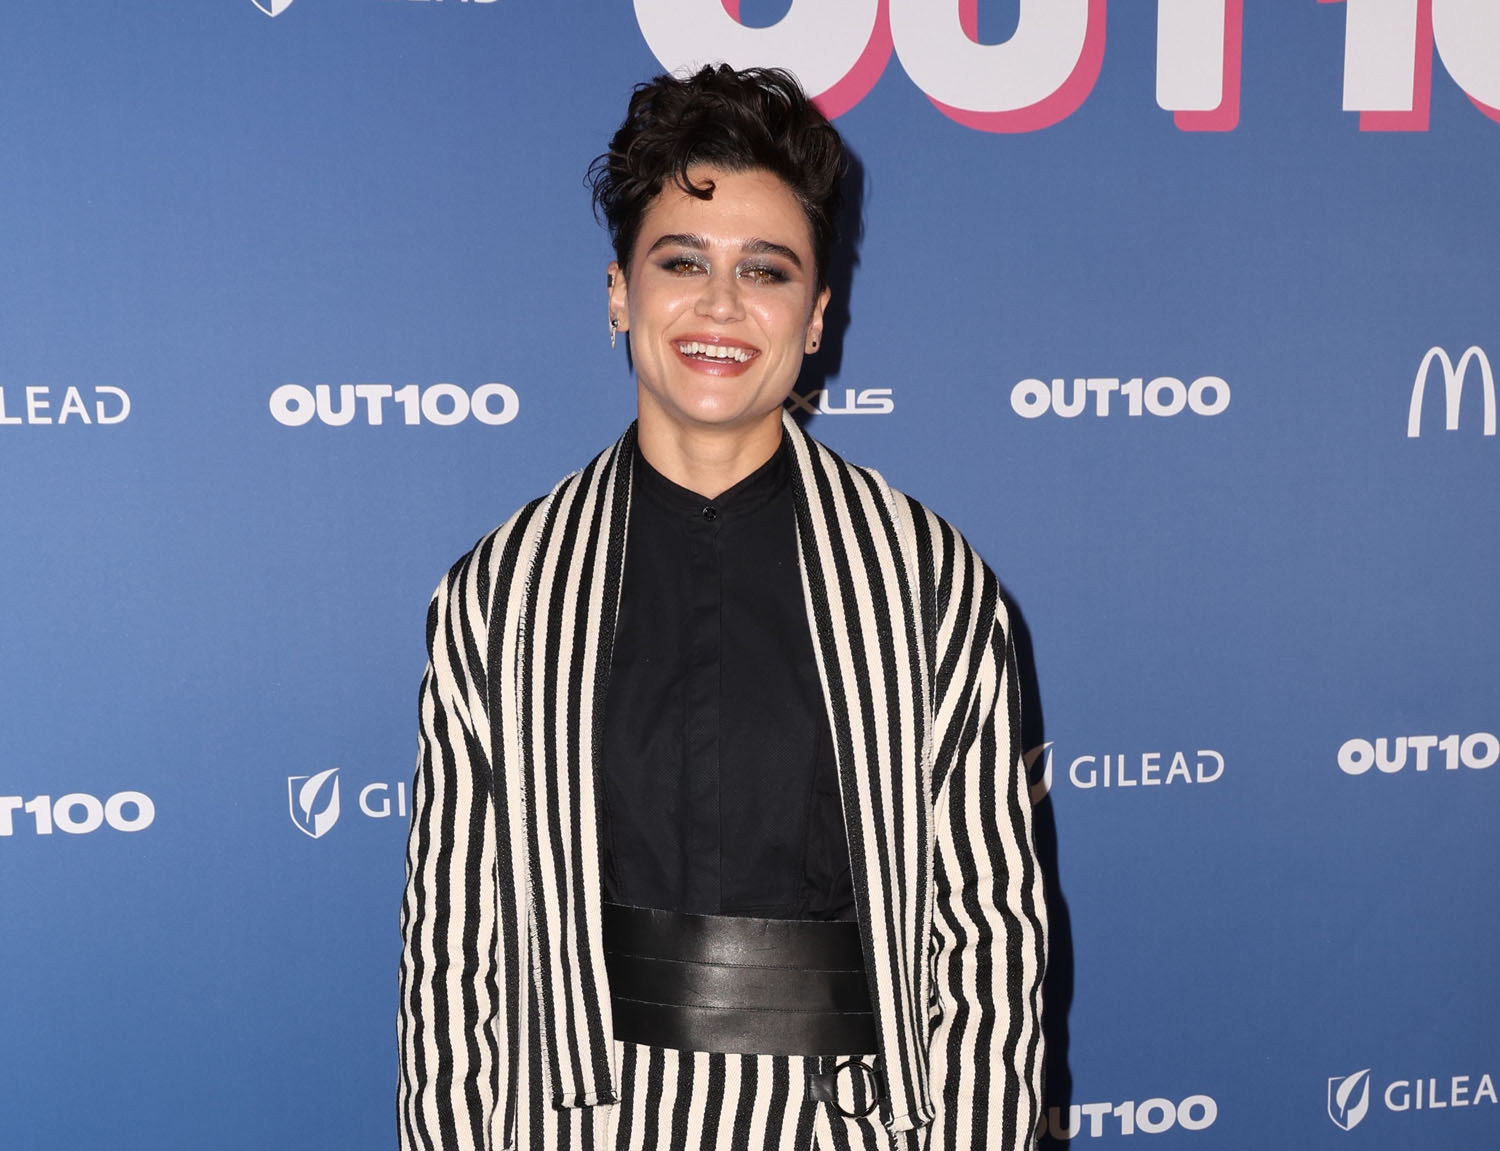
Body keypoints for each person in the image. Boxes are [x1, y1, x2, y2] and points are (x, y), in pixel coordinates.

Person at [398, 64, 1046, 1151]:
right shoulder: (501, 590)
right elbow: (454, 952)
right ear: (619, 292)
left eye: (766, 270)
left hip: (857, 1125)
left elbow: (989, 943)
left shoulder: (929, 582)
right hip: (574, 1126)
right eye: (682, 261)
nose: (721, 305)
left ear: (816, 316)